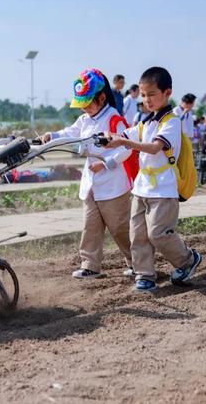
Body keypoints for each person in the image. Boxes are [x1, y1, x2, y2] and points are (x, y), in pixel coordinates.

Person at [105, 66, 202, 293]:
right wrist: (110, 137)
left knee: (157, 233)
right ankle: (145, 275)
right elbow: (127, 134)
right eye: (143, 95)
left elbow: (154, 147)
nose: (146, 100)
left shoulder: (171, 121)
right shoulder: (146, 122)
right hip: (141, 188)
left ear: (167, 92)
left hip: (163, 189)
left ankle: (187, 259)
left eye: (151, 94)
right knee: (137, 235)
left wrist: (123, 143)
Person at [41, 68, 133, 279]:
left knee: (120, 228)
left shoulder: (114, 119)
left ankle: (137, 263)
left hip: (113, 183)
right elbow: (70, 134)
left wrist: (106, 163)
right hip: (91, 183)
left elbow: (127, 148)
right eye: (81, 105)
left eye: (88, 103)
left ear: (101, 97)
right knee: (90, 225)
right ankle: (90, 265)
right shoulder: (85, 120)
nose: (84, 108)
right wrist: (51, 136)